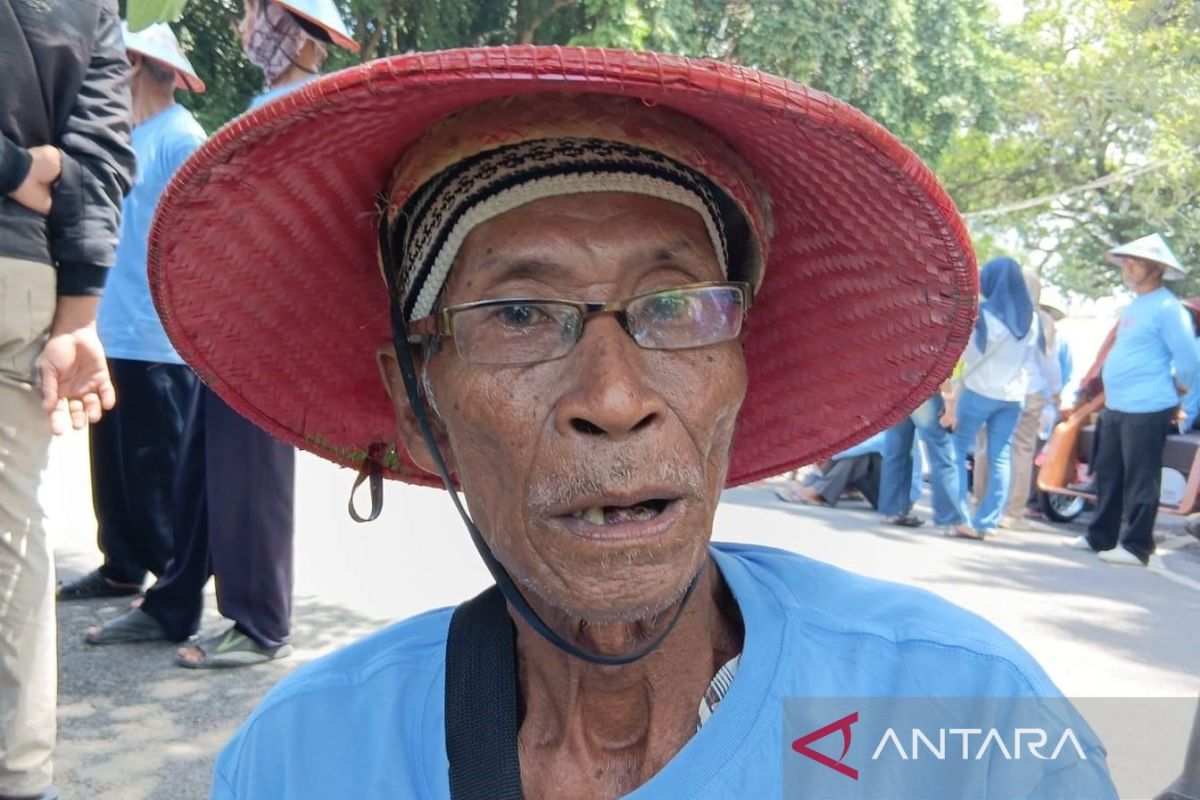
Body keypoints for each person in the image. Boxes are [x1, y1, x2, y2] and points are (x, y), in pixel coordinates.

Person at [147, 49, 1115, 798]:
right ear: (416, 393)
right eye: (518, 314)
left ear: (737, 367)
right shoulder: (312, 752)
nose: (614, 398)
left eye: (677, 305)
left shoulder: (958, 705)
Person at [84, 0, 358, 667]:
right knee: (201, 469)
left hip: (269, 322)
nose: (243, 31)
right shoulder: (273, 102)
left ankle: (259, 622)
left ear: (288, 29)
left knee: (250, 474)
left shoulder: (313, 107)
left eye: (252, 17)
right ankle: (174, 601)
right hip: (228, 318)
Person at [0, 1, 135, 797]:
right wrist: (79, 315)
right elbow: (100, 154)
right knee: (12, 541)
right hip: (22, 280)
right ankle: (21, 776)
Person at [57, 23, 206, 602]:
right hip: (113, 329)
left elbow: (195, 238)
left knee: (159, 470)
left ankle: (171, 588)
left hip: (158, 338)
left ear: (138, 64)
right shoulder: (129, 135)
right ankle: (120, 566)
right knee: (113, 466)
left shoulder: (180, 137)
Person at [1067, 234, 1199, 566]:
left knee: (1142, 476)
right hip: (1118, 403)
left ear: (1155, 268)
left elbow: (1187, 358)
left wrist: (1181, 390)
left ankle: (1138, 546)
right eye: (1125, 260)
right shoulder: (1136, 305)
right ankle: (1101, 536)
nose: (1127, 266)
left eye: (1135, 261)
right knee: (1108, 471)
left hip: (1149, 403)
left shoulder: (1168, 307)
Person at [945, 256, 1060, 539]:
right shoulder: (1032, 320)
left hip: (978, 391)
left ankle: (960, 518)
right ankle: (988, 521)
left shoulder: (983, 314)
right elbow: (1046, 362)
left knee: (957, 452)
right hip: (1012, 397)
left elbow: (970, 355)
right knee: (1000, 457)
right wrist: (1056, 392)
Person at [877, 385, 973, 536]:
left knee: (896, 453)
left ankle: (892, 510)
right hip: (924, 390)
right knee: (942, 457)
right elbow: (945, 367)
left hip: (898, 389)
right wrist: (949, 403)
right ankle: (950, 520)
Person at [774, 432, 888, 508]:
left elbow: (879, 443)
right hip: (880, 487)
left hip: (891, 498)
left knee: (862, 455)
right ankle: (810, 486)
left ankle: (816, 492)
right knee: (851, 448)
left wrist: (834, 454)